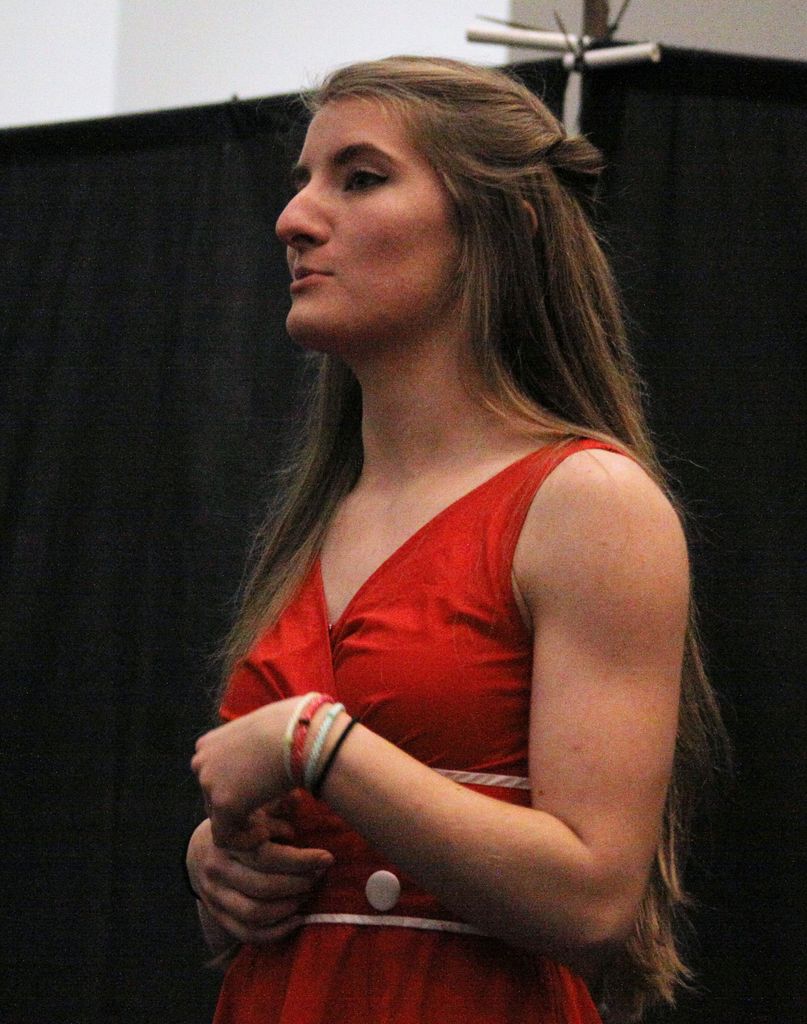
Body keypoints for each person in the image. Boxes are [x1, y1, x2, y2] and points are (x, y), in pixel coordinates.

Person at [187, 56, 726, 1024]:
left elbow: (593, 898)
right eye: (303, 181)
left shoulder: (586, 500)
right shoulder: (322, 512)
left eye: (360, 178)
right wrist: (224, 864)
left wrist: (316, 743)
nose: (294, 219)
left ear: (498, 226)